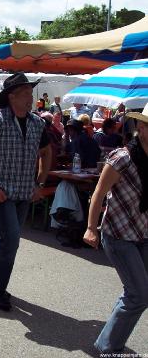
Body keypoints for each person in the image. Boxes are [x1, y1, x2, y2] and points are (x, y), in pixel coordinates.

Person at [0, 72, 52, 311]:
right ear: (12, 97)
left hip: (25, 192)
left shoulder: (38, 123)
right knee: (11, 240)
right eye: (25, 94)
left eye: (31, 93)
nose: (30, 98)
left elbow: (47, 152)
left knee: (6, 238)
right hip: (1, 193)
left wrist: (40, 182)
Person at [83, 106, 148, 354]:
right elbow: (98, 193)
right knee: (140, 295)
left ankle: (106, 341)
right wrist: (91, 228)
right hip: (119, 235)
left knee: (134, 292)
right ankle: (109, 348)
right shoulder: (122, 157)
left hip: (143, 234)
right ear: (141, 128)